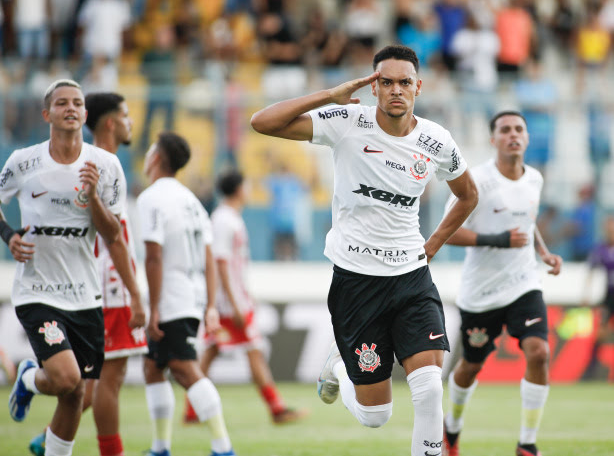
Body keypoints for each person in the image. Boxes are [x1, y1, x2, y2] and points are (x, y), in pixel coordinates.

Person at [251, 44, 478, 456]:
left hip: (411, 278)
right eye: (385, 82)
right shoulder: (347, 122)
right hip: (356, 282)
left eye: (404, 82)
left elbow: (467, 196)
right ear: (373, 87)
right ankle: (338, 365)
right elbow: (262, 122)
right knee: (377, 417)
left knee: (428, 389)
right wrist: (328, 95)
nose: (396, 90)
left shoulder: (436, 141)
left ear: (418, 87)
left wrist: (432, 245)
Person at [2, 79, 127, 456]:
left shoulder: (106, 166)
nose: (70, 108)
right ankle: (28, 377)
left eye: (77, 103)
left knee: (75, 395)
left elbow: (113, 235)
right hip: (37, 290)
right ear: (47, 114)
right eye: (61, 103)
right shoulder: (24, 161)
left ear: (85, 115)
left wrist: (92, 198)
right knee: (66, 377)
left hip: (85, 296)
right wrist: (9, 236)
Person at [28, 92, 148, 456]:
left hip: (90, 284)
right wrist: (136, 293)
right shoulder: (101, 165)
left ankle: (44, 439)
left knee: (91, 382)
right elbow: (114, 239)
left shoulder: (84, 163)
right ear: (110, 123)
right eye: (126, 115)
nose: (131, 122)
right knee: (111, 380)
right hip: (108, 286)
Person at [442, 111, 563, 456]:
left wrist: (544, 252)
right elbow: (446, 231)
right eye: (505, 130)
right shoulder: (476, 181)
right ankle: (451, 429)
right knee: (471, 366)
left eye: (518, 129)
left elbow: (526, 220)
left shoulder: (535, 179)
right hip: (481, 294)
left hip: (524, 283)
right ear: (493, 140)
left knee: (539, 353)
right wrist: (495, 238)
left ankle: (527, 443)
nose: (513, 135)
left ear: (526, 138)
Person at [137, 132, 236, 456]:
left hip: (171, 298)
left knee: (184, 368)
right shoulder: (191, 200)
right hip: (190, 296)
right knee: (153, 367)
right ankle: (160, 446)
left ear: (155, 158)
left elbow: (153, 256)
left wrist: (152, 309)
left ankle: (223, 447)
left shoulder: (151, 198)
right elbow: (207, 256)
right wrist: (208, 304)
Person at [183, 170, 307, 425]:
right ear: (238, 189)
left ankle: (192, 411)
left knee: (212, 352)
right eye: (247, 185)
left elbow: (232, 265)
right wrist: (235, 302)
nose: (249, 190)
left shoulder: (228, 218)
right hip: (229, 305)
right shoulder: (224, 220)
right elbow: (220, 263)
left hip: (231, 300)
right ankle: (276, 409)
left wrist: (245, 295)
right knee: (253, 352)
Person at [581, 215, 614, 378]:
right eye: (608, 227)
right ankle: (592, 369)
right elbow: (591, 271)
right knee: (600, 333)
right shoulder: (601, 249)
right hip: (609, 296)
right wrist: (586, 294)